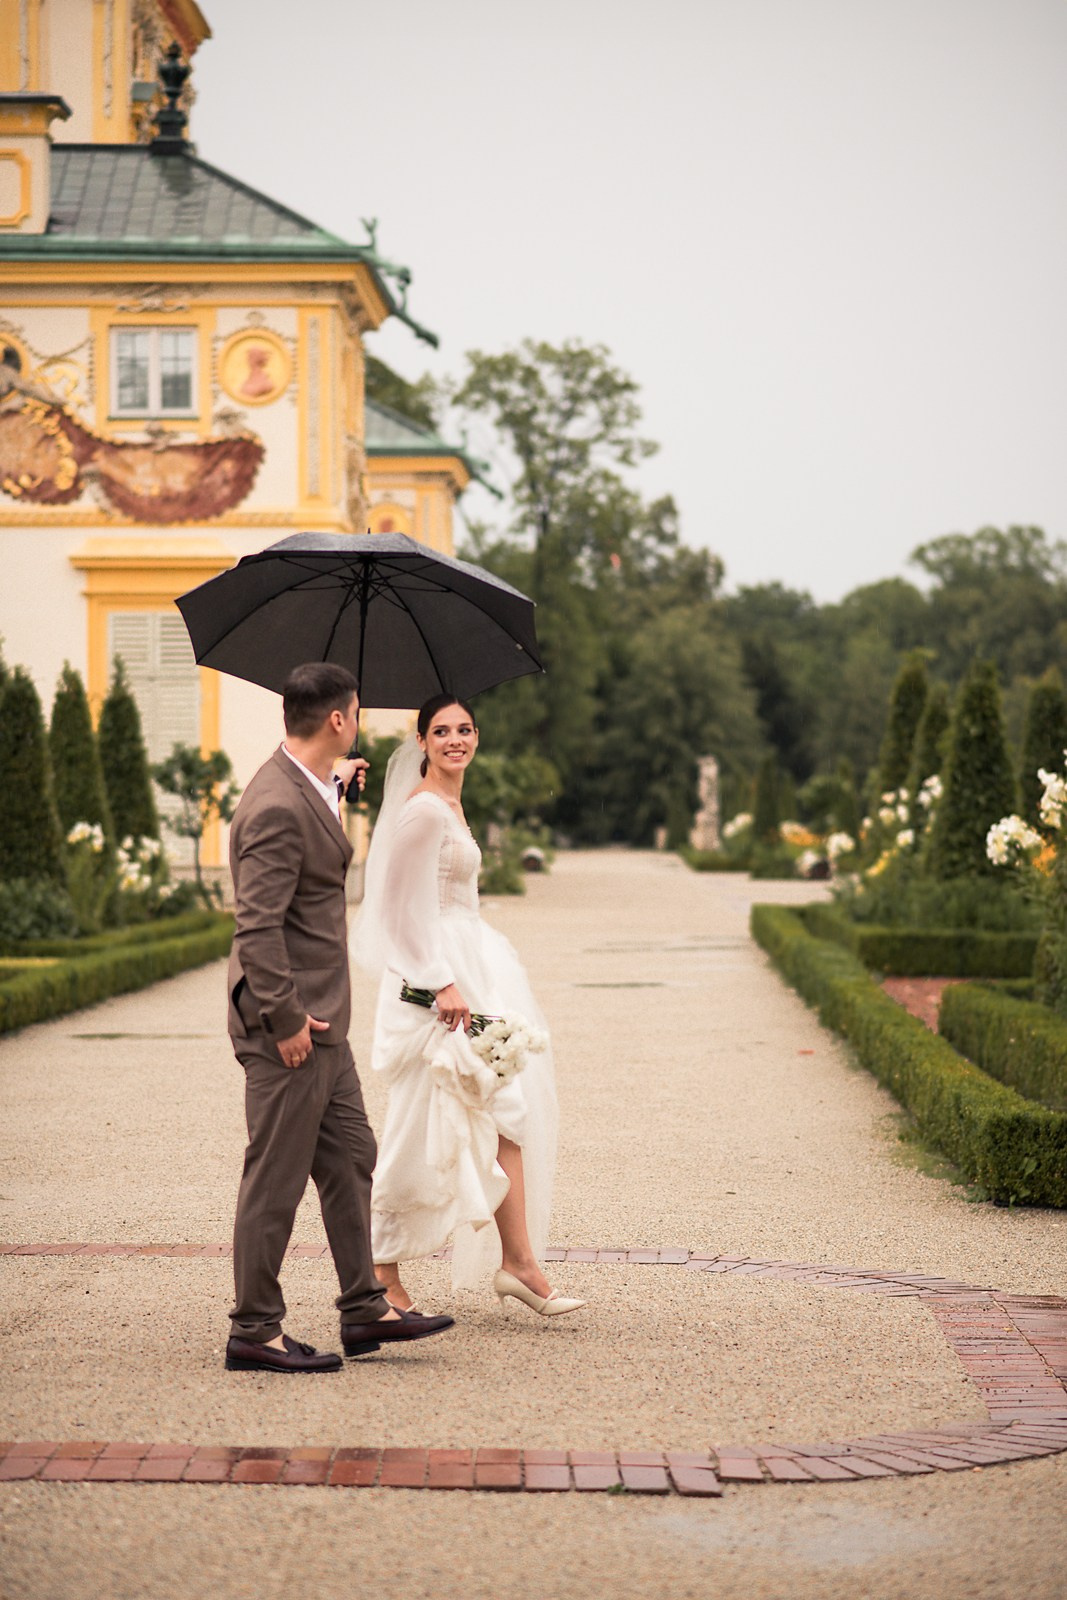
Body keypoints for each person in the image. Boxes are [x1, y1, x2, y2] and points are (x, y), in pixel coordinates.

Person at [224, 662, 454, 1372]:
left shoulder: (308, 786)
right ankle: (254, 1330)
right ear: (338, 719)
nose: (357, 721)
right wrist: (285, 1018)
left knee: (353, 1158)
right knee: (275, 1179)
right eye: (355, 712)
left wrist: (335, 787)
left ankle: (364, 1307)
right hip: (290, 1026)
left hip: (328, 1025)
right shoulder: (273, 805)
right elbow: (256, 927)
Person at [351, 694, 584, 1318]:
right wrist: (439, 982)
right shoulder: (423, 810)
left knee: (507, 1108)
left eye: (465, 729)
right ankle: (381, 1268)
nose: (455, 739)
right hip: (435, 986)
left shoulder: (449, 802)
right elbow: (396, 908)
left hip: (473, 968)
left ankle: (519, 1263)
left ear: (476, 736)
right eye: (441, 731)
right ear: (422, 742)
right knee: (416, 1124)